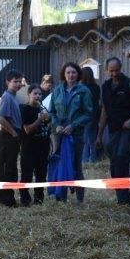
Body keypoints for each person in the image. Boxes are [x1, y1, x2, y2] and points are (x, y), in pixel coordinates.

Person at [96, 57, 130, 205]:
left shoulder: (129, 84)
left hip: (128, 129)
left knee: (121, 158)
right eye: (111, 71)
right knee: (114, 164)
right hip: (113, 129)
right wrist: (99, 135)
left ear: (121, 69)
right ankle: (121, 198)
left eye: (117, 70)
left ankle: (125, 201)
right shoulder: (105, 87)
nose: (114, 73)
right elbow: (104, 111)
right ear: (107, 70)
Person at [48, 62, 93, 203]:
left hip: (76, 134)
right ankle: (61, 197)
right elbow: (51, 112)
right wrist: (56, 125)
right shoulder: (57, 90)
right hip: (59, 134)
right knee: (59, 163)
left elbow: (89, 113)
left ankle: (80, 199)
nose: (71, 75)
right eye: (68, 72)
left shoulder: (84, 91)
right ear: (64, 74)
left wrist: (73, 125)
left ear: (78, 74)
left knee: (76, 165)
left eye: (73, 72)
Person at [19, 85, 52, 206]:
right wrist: (39, 120)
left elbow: (49, 125)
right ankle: (25, 200)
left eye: (40, 94)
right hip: (29, 148)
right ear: (29, 94)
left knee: (41, 175)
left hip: (43, 148)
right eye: (35, 94)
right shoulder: (25, 109)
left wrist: (48, 119)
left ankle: (39, 199)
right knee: (27, 175)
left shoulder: (43, 108)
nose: (38, 96)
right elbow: (27, 130)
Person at [0, 71, 24, 207]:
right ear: (8, 82)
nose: (18, 84)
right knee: (7, 168)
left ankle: (8, 198)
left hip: (13, 135)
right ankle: (6, 200)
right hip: (8, 136)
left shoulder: (14, 96)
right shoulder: (7, 97)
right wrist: (13, 132)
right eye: (15, 81)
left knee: (11, 167)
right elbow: (1, 118)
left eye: (19, 81)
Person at [81, 66, 102, 164]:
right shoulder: (96, 87)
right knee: (92, 139)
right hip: (96, 115)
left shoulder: (82, 88)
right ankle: (92, 159)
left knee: (84, 139)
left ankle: (84, 160)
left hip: (86, 116)